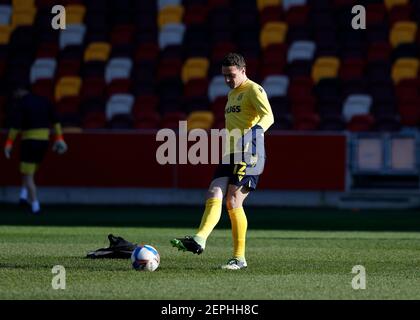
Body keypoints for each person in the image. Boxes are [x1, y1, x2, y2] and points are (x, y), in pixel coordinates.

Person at [171, 53, 274, 270]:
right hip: (230, 153)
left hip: (249, 152)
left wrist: (254, 132)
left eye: (231, 75)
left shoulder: (254, 90)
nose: (228, 80)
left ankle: (239, 258)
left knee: (233, 202)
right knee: (213, 192)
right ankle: (199, 239)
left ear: (243, 70)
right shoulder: (232, 94)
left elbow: (269, 116)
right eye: (224, 76)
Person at [3, 87, 68, 214]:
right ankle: (23, 196)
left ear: (19, 91)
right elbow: (56, 122)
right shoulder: (44, 101)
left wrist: (8, 144)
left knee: (28, 175)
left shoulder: (21, 104)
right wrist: (59, 138)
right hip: (44, 142)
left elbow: (15, 127)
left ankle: (35, 206)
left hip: (29, 142)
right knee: (28, 170)